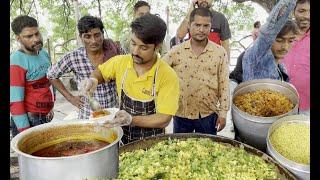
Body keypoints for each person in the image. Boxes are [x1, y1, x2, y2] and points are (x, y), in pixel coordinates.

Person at [82, 14, 179, 144]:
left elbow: (164, 118)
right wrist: (93, 80)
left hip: (152, 142)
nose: (135, 51)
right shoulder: (120, 62)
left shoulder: (167, 75)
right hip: (122, 137)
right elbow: (100, 72)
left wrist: (131, 119)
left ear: (157, 47)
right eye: (133, 44)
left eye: (143, 47)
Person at [163, 8, 229, 135]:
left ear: (211, 27)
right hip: (181, 113)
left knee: (207, 150)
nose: (201, 29)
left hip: (208, 114)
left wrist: (223, 113)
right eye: (197, 25)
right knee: (180, 150)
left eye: (206, 26)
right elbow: (160, 72)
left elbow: (224, 84)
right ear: (189, 25)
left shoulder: (220, 53)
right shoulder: (176, 51)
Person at [47, 15, 122, 119]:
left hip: (113, 114)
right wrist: (71, 98)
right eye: (87, 36)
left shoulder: (115, 52)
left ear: (102, 34)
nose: (93, 41)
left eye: (97, 35)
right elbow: (51, 75)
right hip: (88, 116)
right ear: (80, 37)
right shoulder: (74, 57)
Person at [10, 15, 55, 136]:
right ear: (18, 38)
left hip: (45, 116)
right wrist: (25, 132)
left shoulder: (44, 54)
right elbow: (15, 101)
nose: (36, 39)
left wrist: (50, 108)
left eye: (37, 33)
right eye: (29, 36)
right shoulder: (16, 60)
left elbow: (49, 83)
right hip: (29, 121)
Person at [242, 0, 300, 82]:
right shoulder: (256, 58)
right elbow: (267, 34)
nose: (285, 47)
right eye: (279, 40)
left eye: (290, 41)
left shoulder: (282, 68)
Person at [282, 0, 310, 115]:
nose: (306, 16)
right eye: (301, 11)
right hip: (281, 101)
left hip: (306, 107)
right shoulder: (281, 34)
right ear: (293, 12)